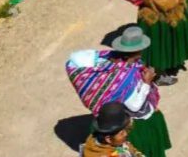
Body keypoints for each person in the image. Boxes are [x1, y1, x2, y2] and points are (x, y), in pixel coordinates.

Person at [65, 26, 171, 157]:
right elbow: (135, 106)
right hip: (126, 116)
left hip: (109, 114)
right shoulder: (124, 76)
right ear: (139, 50)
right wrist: (146, 83)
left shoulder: (105, 59)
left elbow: (75, 59)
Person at [80, 100, 146, 157]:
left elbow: (125, 148)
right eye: (121, 133)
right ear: (108, 139)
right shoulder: (111, 154)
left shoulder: (94, 140)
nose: (126, 134)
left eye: (124, 130)